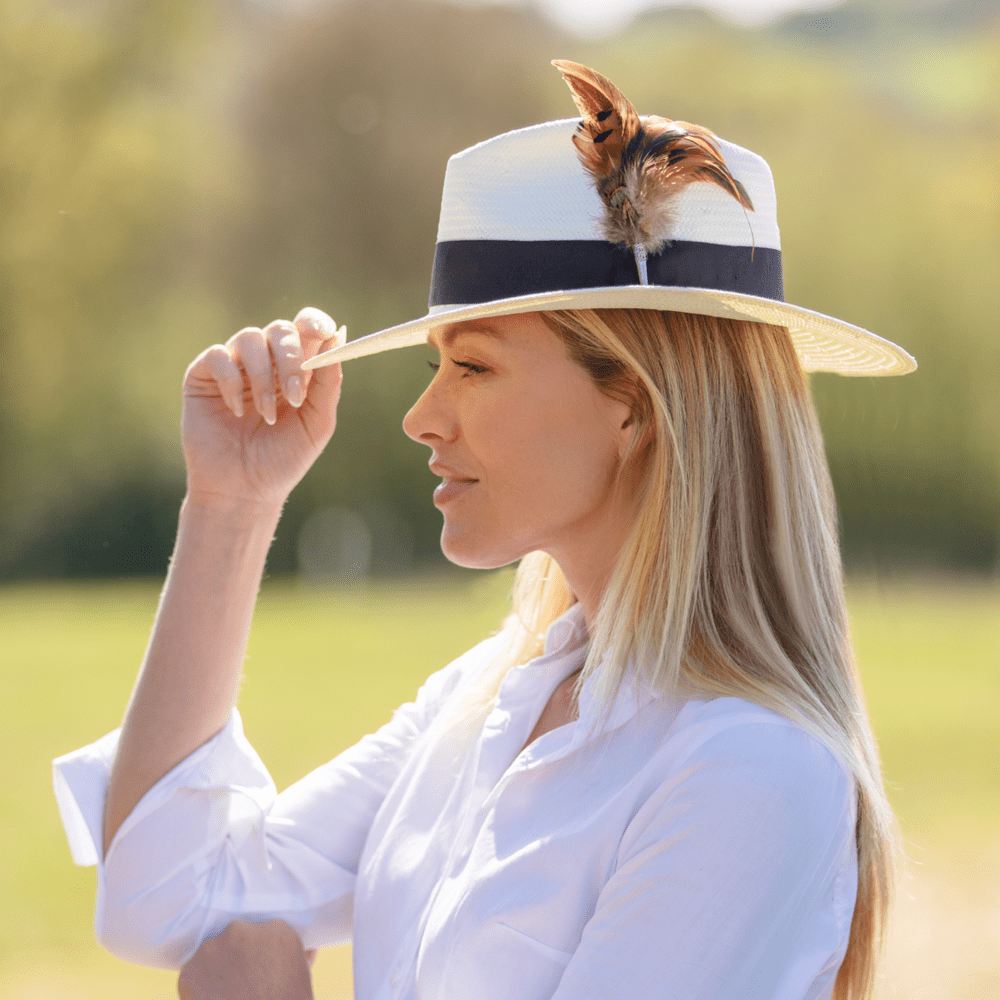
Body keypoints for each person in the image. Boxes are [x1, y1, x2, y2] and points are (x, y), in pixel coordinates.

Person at [53, 61, 915, 1000]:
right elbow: (166, 897)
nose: (421, 417)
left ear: (634, 403)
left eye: (473, 367)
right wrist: (229, 504)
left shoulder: (750, 770)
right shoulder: (489, 699)